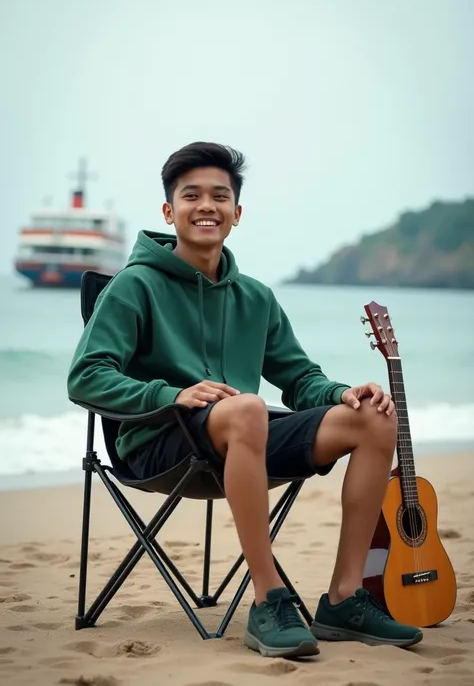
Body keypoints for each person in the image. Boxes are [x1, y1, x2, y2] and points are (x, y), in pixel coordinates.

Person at [67, 141, 423, 659]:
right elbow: (85, 377)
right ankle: (267, 599)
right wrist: (171, 394)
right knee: (250, 408)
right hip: (158, 444)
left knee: (372, 417)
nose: (206, 205)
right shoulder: (133, 286)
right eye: (191, 196)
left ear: (237, 212)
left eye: (220, 196)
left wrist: (341, 392)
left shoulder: (255, 296)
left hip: (243, 441)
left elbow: (299, 377)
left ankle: (345, 597)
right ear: (170, 211)